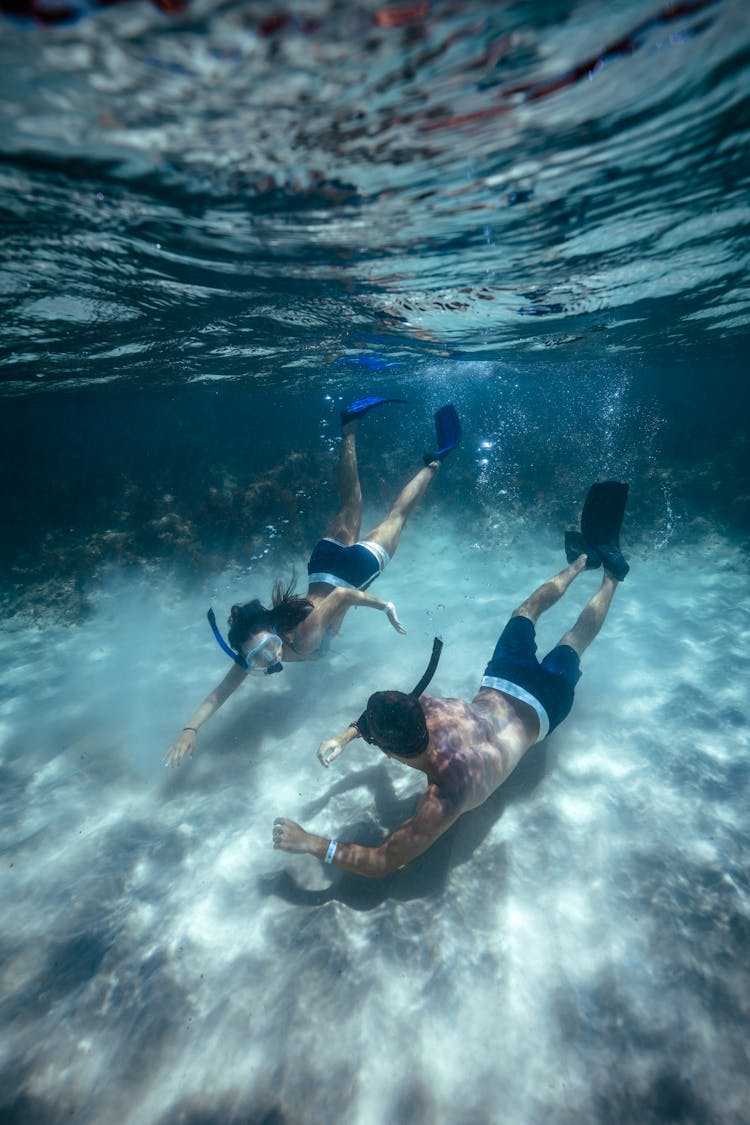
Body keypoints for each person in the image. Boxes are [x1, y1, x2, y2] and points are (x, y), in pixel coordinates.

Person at [272, 482, 629, 878]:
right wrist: (345, 737)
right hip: (503, 683)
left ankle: (608, 574)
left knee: (573, 640)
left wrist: (311, 843)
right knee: (529, 611)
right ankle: (585, 562)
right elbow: (391, 709)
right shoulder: (432, 709)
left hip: (543, 708)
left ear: (392, 753)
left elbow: (384, 861)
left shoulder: (447, 793)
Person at [165, 397, 461, 767]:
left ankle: (438, 459)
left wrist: (383, 606)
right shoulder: (259, 648)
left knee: (397, 517)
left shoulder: (300, 636)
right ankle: (350, 425)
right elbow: (219, 693)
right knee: (351, 499)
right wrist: (190, 729)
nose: (271, 656)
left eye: (269, 646)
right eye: (258, 656)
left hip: (352, 572)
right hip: (321, 562)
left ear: (276, 632)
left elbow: (341, 597)